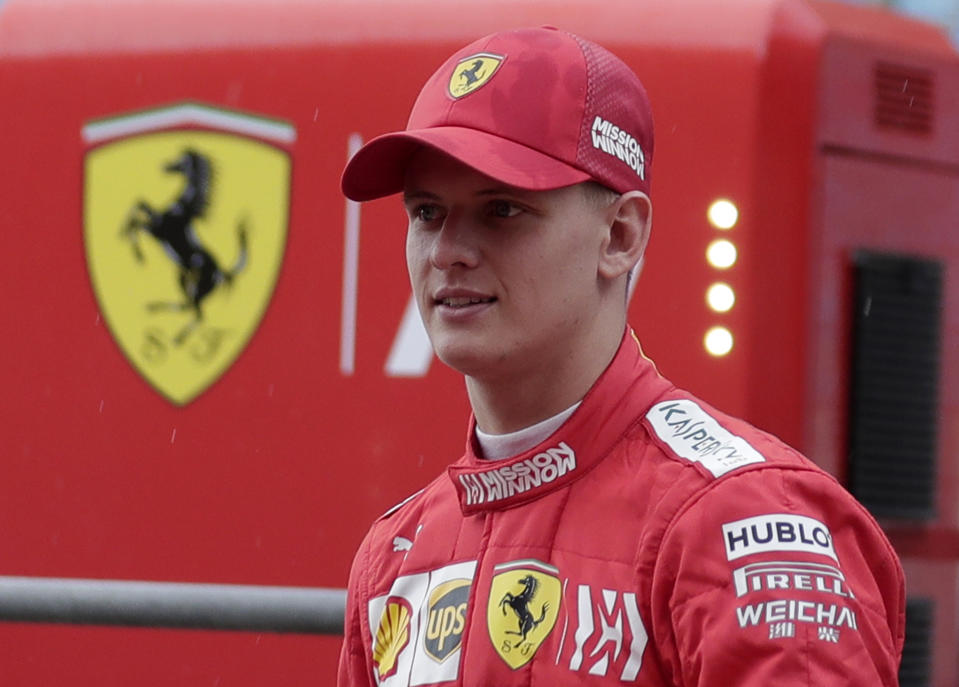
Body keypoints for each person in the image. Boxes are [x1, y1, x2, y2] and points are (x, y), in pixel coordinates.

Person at [337, 26, 905, 687]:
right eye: (428, 212)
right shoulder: (397, 554)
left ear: (620, 234)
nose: (447, 251)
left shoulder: (741, 517)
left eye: (501, 210)